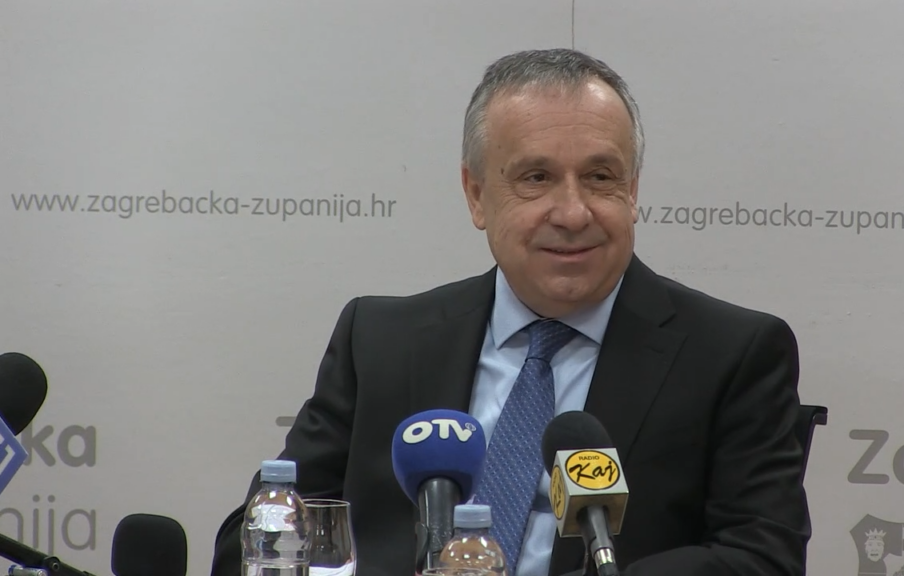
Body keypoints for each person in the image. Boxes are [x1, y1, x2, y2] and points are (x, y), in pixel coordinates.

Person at [211, 48, 810, 576]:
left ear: (632, 191)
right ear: (476, 194)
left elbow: (762, 558)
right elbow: (257, 537)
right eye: (536, 177)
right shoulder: (381, 340)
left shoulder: (730, 354)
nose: (572, 212)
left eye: (600, 177)